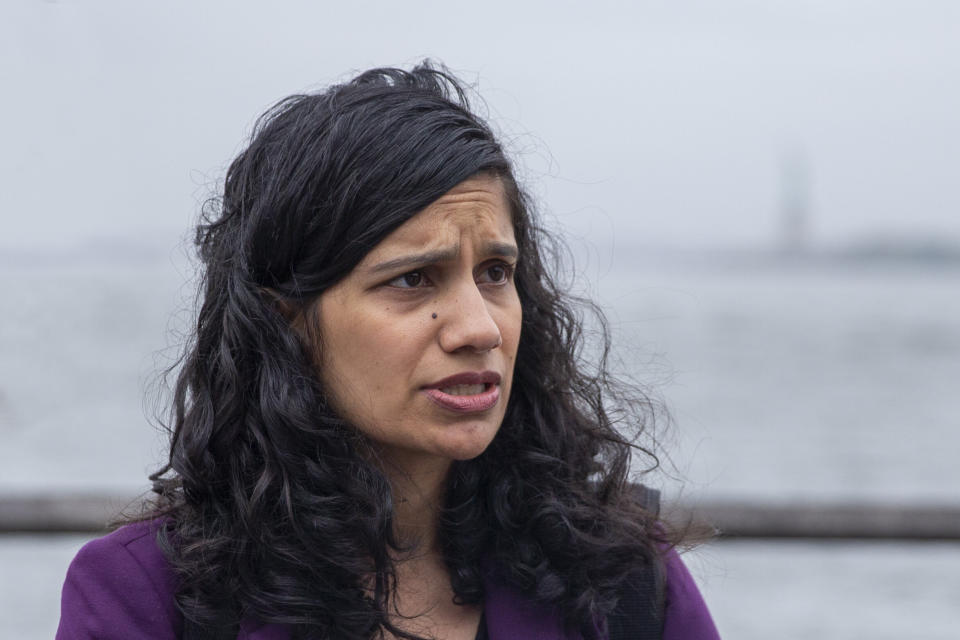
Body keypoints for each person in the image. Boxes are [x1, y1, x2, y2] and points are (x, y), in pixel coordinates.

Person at [57, 62, 720, 640]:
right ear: (287, 317)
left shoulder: (623, 581)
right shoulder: (153, 600)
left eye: (494, 273)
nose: (478, 327)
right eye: (413, 279)